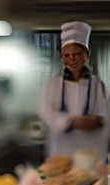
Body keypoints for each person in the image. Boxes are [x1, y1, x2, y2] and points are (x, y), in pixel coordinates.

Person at [40, 21, 109, 161]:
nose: (72, 59)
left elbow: (104, 118)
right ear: (61, 57)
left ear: (86, 56)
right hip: (61, 153)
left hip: (92, 155)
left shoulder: (97, 85)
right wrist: (72, 122)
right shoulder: (53, 85)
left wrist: (94, 122)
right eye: (67, 55)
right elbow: (47, 114)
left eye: (77, 54)